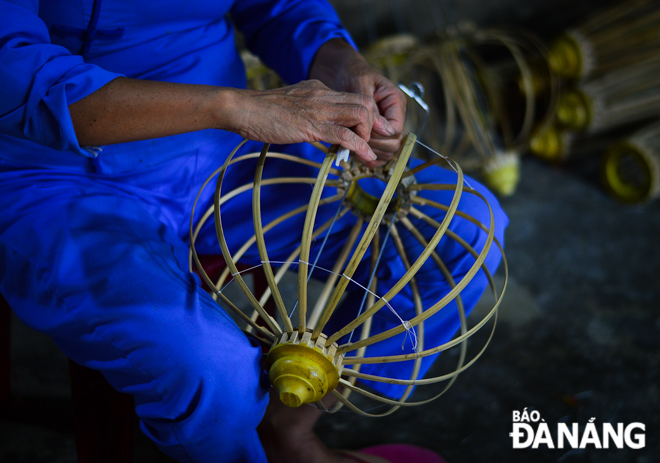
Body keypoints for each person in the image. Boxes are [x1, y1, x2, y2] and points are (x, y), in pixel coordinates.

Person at [0, 0, 507, 462]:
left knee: (464, 225)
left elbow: (278, 7)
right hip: (53, 175)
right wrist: (236, 108)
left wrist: (342, 65)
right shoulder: (229, 111)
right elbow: (16, 74)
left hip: (225, 151)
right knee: (210, 368)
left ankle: (289, 429)